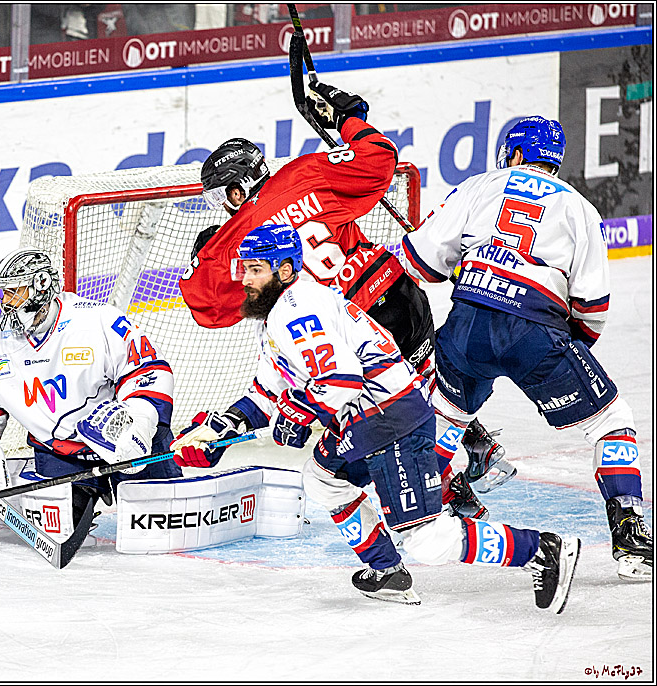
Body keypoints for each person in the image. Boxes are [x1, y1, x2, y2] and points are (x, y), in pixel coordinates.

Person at [172, 223, 581, 611]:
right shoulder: (283, 310)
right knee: (322, 478)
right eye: (245, 268)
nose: (245, 279)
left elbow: (341, 382)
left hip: (390, 420)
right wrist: (220, 428)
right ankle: (387, 570)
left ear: (283, 269)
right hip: (364, 420)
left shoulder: (298, 311)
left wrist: (295, 416)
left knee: (427, 541)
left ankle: (541, 550)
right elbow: (267, 388)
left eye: (255, 269)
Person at [181, 79, 511, 522]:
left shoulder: (240, 235)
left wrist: (206, 254)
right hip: (399, 296)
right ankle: (479, 450)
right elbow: (381, 160)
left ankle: (447, 492)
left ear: (237, 190)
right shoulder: (305, 171)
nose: (224, 208)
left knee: (384, 417)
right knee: (423, 393)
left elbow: (206, 308)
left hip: (351, 327)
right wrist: (348, 117)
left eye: (223, 197)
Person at [400, 116, 653, 582]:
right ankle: (630, 534)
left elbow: (419, 264)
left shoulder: (479, 186)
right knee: (612, 420)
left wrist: (472, 269)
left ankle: (418, 507)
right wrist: (564, 352)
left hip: (467, 324)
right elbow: (592, 307)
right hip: (536, 328)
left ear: (513, 154)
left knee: (446, 417)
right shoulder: (579, 208)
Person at [0, 248, 180, 537]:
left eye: (14, 292)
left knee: (163, 525)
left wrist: (141, 420)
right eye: (2, 293)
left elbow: (147, 370)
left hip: (123, 439)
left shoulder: (98, 321)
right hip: (58, 452)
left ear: (41, 287)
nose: (6, 302)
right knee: (60, 530)